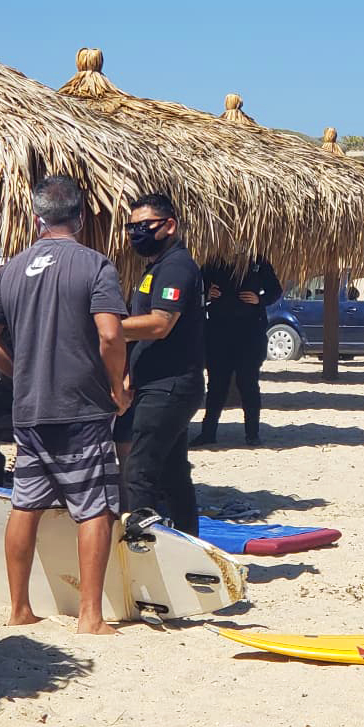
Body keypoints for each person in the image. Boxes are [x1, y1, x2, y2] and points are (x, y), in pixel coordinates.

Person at [0, 176, 130, 634]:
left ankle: (19, 608)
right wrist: (117, 385)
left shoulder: (11, 270)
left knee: (26, 504)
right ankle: (90, 617)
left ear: (36, 218)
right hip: (81, 407)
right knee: (94, 507)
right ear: (80, 216)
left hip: (31, 408)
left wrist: (21, 371)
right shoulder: (95, 265)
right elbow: (110, 333)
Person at [116, 193, 207, 535]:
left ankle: (141, 543)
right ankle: (188, 545)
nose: (135, 233)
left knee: (139, 471)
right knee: (173, 474)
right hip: (155, 383)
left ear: (169, 226)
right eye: (131, 227)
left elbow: (159, 323)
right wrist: (127, 374)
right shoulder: (155, 268)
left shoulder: (177, 267)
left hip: (171, 386)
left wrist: (105, 327)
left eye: (144, 226)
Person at [194, 254, 281, 446]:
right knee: (216, 385)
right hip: (218, 331)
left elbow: (276, 291)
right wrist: (207, 294)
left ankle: (252, 433)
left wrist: (260, 299)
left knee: (248, 383)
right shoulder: (214, 262)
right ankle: (208, 433)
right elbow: (195, 289)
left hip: (250, 333)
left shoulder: (258, 261)